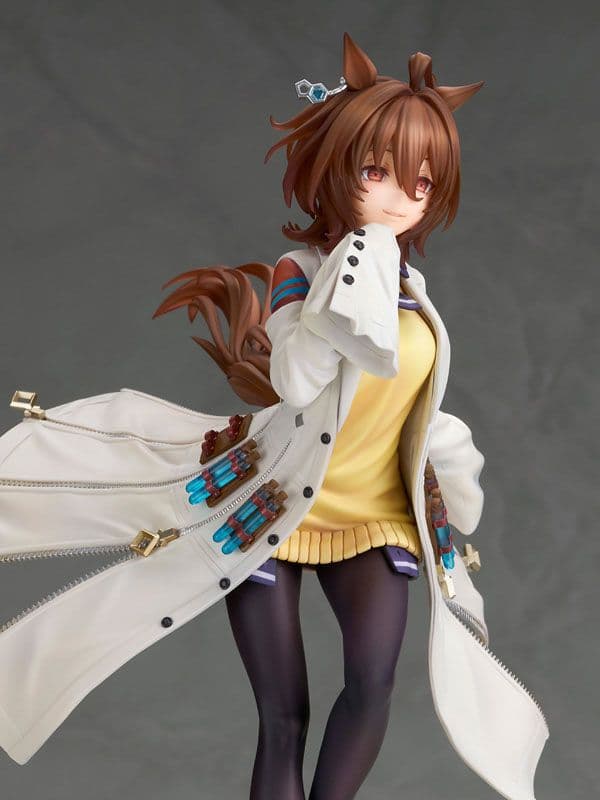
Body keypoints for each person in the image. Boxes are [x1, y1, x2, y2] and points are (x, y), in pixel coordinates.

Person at [0, 32, 548, 800]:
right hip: (273, 510)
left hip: (378, 518)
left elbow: (417, 409)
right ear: (339, 170)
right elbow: (294, 379)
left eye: (421, 183)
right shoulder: (305, 271)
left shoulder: (415, 296)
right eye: (377, 173)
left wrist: (454, 481)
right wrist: (346, 280)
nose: (399, 197)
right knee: (284, 715)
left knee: (374, 687)